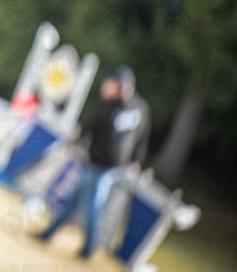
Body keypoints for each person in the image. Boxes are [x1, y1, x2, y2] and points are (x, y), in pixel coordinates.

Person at [36, 65, 151, 258]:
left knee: (93, 208)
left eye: (109, 82)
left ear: (119, 84)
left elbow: (141, 137)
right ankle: (48, 234)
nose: (104, 86)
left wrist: (135, 160)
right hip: (94, 162)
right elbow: (88, 127)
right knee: (74, 200)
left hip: (109, 168)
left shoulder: (138, 108)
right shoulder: (107, 106)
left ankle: (89, 250)